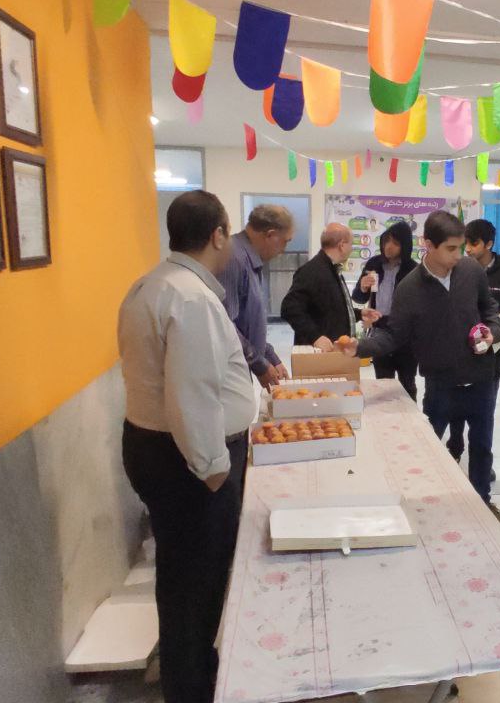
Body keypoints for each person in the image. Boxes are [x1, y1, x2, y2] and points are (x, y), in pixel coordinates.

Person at [116, 190, 257, 703]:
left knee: (180, 575)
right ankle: (193, 686)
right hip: (188, 462)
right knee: (198, 582)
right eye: (228, 233)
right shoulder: (191, 298)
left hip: (154, 446)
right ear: (217, 235)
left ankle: (188, 672)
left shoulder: (151, 284)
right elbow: (191, 395)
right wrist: (214, 469)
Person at [340, 211, 500, 531]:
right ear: (428, 245)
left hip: (481, 379)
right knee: (429, 448)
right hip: (440, 383)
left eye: (461, 247)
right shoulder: (410, 289)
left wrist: (492, 333)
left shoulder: (471, 271)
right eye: (451, 248)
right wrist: (360, 347)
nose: (459, 255)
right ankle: (425, 505)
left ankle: (483, 503)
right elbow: (394, 335)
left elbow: (490, 311)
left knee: (482, 447)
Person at [446, 219, 500, 463]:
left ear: (488, 244)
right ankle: (454, 448)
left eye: (474, 243)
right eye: (465, 243)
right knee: (455, 408)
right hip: (459, 356)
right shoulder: (457, 270)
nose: (468, 249)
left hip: (492, 359)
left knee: (483, 415)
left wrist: (495, 336)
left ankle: (481, 464)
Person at [217, 204, 295, 389]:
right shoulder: (233, 258)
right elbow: (225, 325)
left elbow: (248, 323)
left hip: (239, 370)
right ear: (270, 235)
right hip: (226, 375)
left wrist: (270, 356)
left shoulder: (250, 260)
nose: (283, 251)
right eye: (285, 242)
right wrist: (259, 364)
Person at [352, 222, 419, 399]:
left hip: (405, 337)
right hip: (379, 332)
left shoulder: (413, 270)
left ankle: (410, 416)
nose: (389, 247)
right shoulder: (374, 264)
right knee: (382, 384)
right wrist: (363, 287)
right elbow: (358, 298)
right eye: (386, 241)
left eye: (395, 243)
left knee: (407, 384)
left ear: (405, 245)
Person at [281, 223, 366, 350]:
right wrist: (315, 337)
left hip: (334, 351)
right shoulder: (313, 271)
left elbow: (331, 309)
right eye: (351, 244)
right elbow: (289, 308)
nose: (351, 249)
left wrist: (360, 314)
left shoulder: (332, 270)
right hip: (319, 355)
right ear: (342, 245)